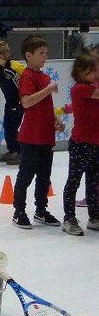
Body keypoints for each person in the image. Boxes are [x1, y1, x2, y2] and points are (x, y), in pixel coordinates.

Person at [11, 35, 65, 229]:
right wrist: (48, 89)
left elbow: (44, 104)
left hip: (45, 135)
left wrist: (55, 119)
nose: (45, 56)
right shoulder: (27, 76)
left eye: (46, 53)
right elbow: (26, 102)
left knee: (44, 175)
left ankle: (41, 210)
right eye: (41, 53)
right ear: (28, 55)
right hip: (31, 136)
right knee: (26, 175)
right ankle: (19, 211)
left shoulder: (44, 76)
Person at [60, 55, 99, 235]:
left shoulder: (92, 87)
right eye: (93, 71)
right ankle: (69, 218)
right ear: (80, 72)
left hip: (96, 143)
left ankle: (94, 216)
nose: (97, 74)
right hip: (80, 143)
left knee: (94, 181)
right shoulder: (81, 88)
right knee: (74, 181)